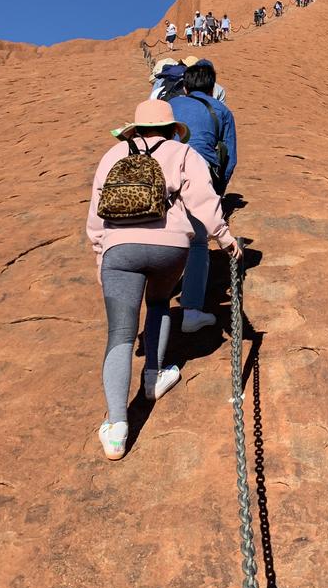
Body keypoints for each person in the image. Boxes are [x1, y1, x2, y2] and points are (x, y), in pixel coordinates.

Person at [87, 99, 240, 460]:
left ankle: (117, 428)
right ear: (173, 128)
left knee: (121, 335)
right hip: (170, 248)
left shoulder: (112, 155)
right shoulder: (183, 153)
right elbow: (203, 198)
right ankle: (154, 376)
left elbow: (96, 216)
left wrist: (101, 257)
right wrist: (225, 237)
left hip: (119, 250)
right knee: (158, 303)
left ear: (135, 128)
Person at [171, 63, 238, 332]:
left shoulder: (170, 105)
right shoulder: (221, 110)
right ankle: (191, 311)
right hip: (202, 171)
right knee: (199, 242)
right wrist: (217, 191)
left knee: (164, 232)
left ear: (185, 87)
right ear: (213, 88)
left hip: (166, 170)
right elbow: (230, 157)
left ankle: (160, 299)